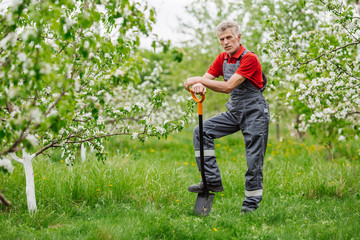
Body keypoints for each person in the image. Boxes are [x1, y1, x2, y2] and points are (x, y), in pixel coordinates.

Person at [184, 20, 270, 213]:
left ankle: (249, 210)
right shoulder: (222, 58)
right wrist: (199, 85)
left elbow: (228, 86)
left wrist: (198, 80)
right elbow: (206, 80)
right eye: (221, 39)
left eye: (229, 37)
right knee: (201, 131)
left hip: (255, 112)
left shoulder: (250, 59)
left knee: (253, 162)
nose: (225, 42)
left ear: (238, 37)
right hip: (236, 111)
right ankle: (211, 180)